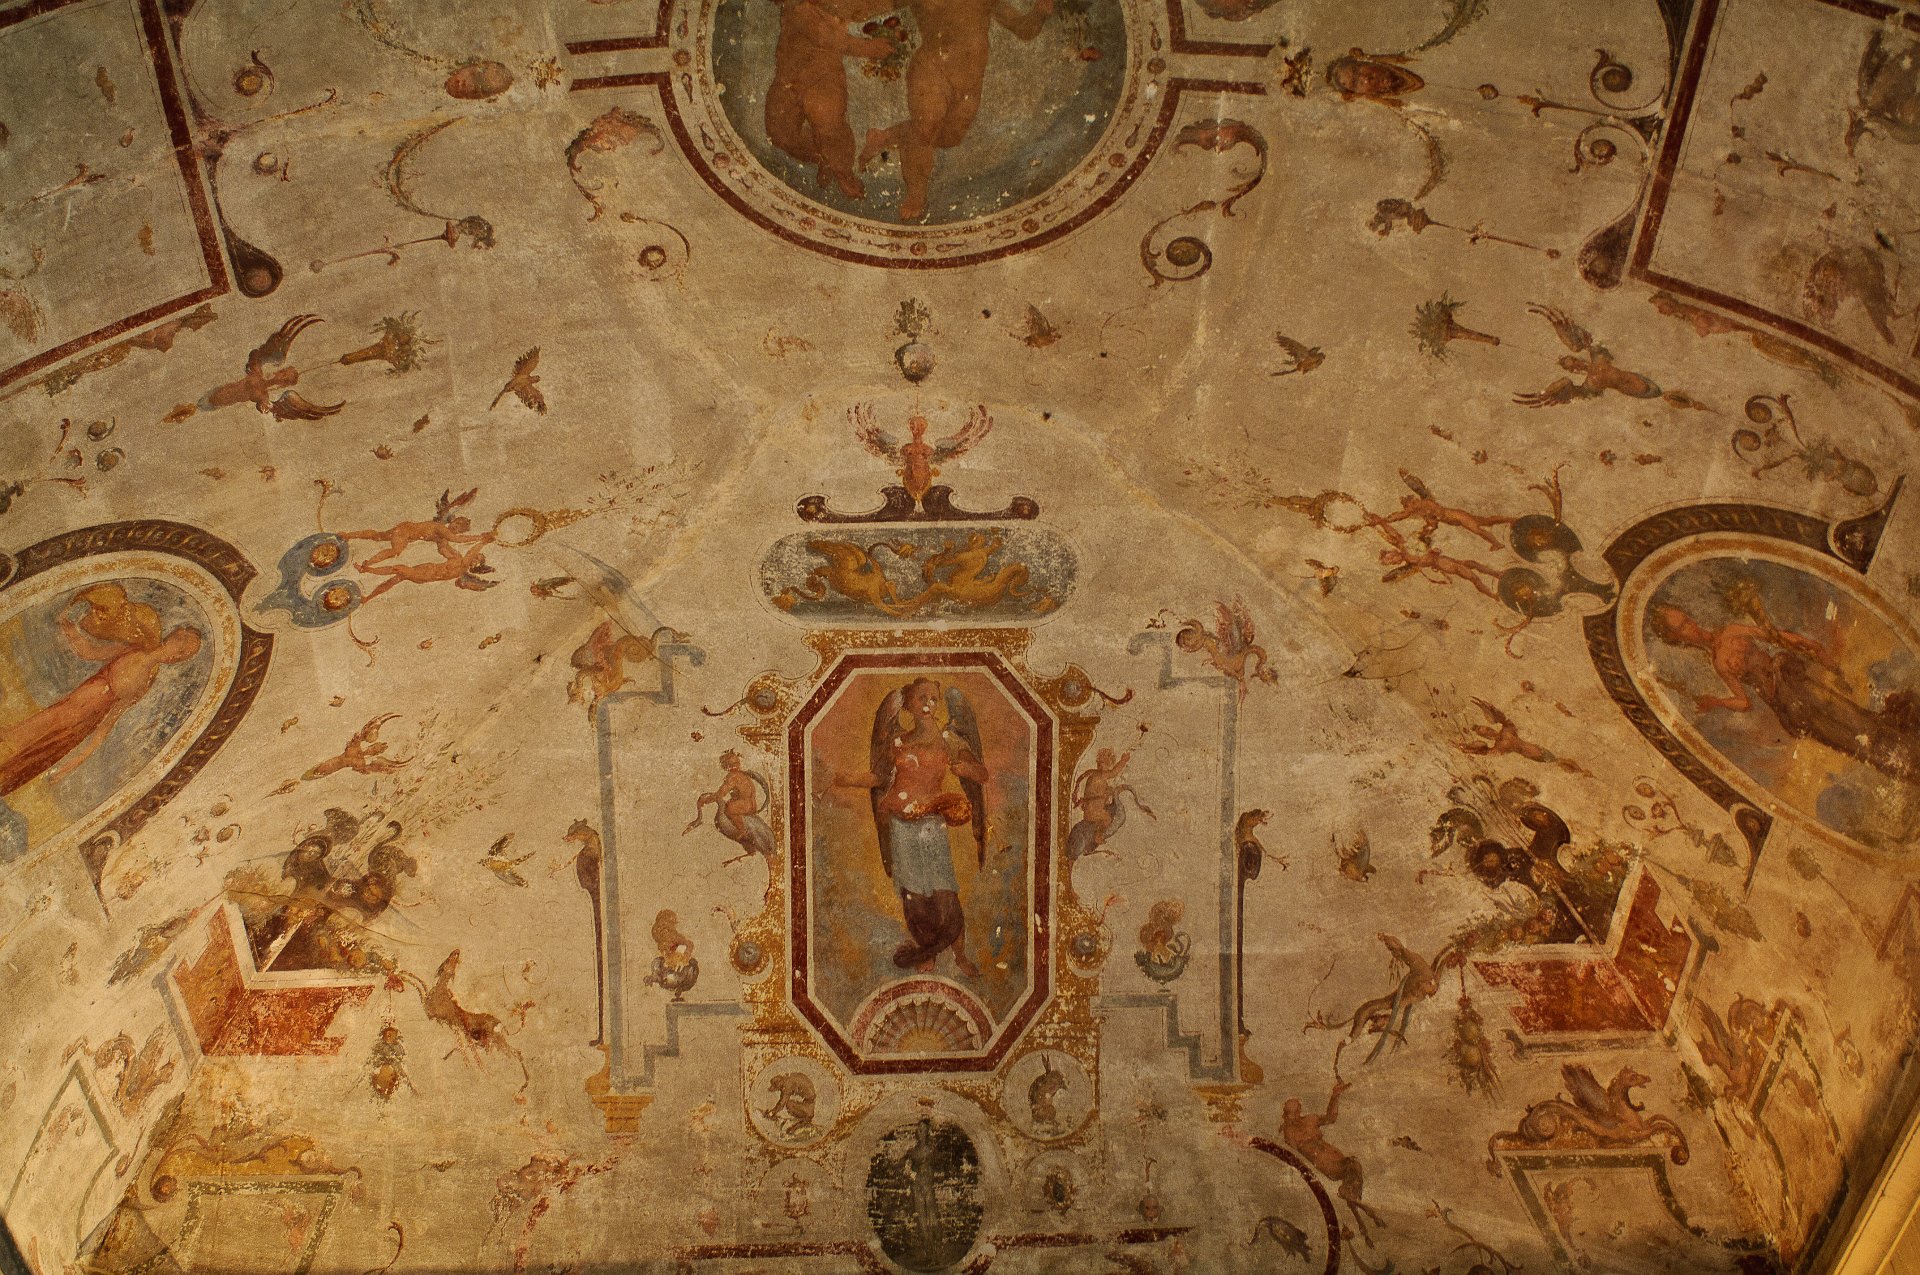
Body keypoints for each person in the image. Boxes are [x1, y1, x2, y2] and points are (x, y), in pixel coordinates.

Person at [1649, 602, 1920, 785]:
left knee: (1854, 718)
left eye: (1686, 619)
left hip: (1794, 681)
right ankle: (1907, 771)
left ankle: (1912, 747)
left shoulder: (1730, 630)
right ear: (1678, 639)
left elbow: (1771, 636)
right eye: (1682, 628)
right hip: (1785, 704)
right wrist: (1716, 702)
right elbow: (1744, 702)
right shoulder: (1719, 664)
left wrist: (1808, 644)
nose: (1691, 626)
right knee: (1845, 739)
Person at [838, 676, 988, 975]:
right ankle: (926, 954)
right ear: (907, 704)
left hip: (931, 824)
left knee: (945, 892)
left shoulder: (949, 740)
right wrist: (844, 779)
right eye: (921, 698)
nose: (928, 704)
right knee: (914, 896)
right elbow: (879, 777)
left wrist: (965, 769)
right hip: (901, 825)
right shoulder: (899, 742)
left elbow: (982, 774)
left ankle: (959, 956)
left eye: (933, 699)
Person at [859, 0, 1055, 220]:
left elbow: (1023, 29)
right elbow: (868, 7)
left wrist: (1039, 13)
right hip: (932, 69)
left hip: (969, 82)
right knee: (925, 130)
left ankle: (886, 136)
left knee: (949, 138)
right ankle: (916, 192)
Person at [0, 586, 203, 796]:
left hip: (78, 723)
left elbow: (105, 727)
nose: (178, 649)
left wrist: (70, 766)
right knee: (19, 734)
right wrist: (69, 629)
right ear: (172, 635)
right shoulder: (134, 649)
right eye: (182, 639)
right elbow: (90, 652)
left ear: (176, 659)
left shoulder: (142, 686)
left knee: (29, 750)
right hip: (70, 706)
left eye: (183, 653)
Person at [765, 0, 899, 199]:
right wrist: (868, 48)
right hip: (789, 76)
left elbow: (835, 32)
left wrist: (872, 44)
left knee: (828, 123)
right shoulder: (798, 7)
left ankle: (842, 172)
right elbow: (823, 33)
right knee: (780, 133)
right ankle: (824, 158)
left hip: (824, 74)